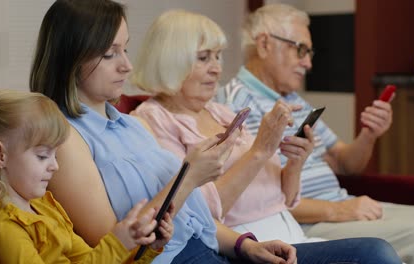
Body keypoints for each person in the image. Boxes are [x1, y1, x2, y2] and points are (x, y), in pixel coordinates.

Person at [29, 1, 304, 263]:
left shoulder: (132, 126)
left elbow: (194, 220)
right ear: (71, 58)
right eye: (109, 54)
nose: (127, 65)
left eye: (125, 49)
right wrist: (188, 178)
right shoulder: (65, 138)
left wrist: (245, 245)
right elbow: (114, 248)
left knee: (349, 252)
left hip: (212, 250)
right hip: (174, 259)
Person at [130, 9, 402, 264]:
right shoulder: (152, 122)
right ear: (170, 60)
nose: (216, 68)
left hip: (290, 231)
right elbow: (199, 214)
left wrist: (295, 162)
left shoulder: (221, 112)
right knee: (375, 252)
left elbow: (283, 197)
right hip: (248, 242)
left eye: (218, 57)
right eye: (204, 58)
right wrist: (260, 150)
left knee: (377, 250)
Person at [215, 3, 414, 264]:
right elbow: (255, 200)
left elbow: (346, 163)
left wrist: (369, 135)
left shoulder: (293, 99)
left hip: (342, 207)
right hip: (307, 222)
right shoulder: (236, 105)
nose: (308, 62)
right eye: (301, 50)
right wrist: (337, 210)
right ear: (264, 45)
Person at [0, 89, 173, 263]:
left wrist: (147, 248)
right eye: (43, 156)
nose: (55, 166)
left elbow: (89, 259)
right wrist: (117, 244)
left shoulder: (44, 205)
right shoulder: (3, 227)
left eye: (55, 155)